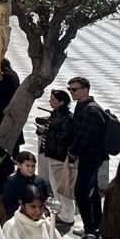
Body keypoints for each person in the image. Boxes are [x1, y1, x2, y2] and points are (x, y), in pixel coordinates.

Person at [66, 77, 109, 239]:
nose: (71, 92)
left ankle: (90, 231)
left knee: (81, 193)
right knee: (93, 191)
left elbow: (85, 137)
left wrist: (72, 151)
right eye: (70, 89)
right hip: (88, 157)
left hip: (91, 157)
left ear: (85, 90)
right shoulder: (82, 106)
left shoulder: (91, 111)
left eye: (74, 89)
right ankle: (96, 226)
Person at [36, 89, 75, 224]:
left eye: (53, 99)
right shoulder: (55, 114)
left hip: (59, 156)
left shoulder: (67, 117)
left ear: (61, 102)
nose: (50, 101)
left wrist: (47, 131)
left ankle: (66, 215)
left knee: (61, 187)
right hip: (51, 153)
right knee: (55, 185)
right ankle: (62, 211)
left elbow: (64, 137)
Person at [2, 152, 52, 221]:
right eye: (27, 166)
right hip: (19, 218)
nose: (30, 169)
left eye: (33, 166)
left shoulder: (39, 181)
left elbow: (45, 199)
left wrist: (45, 211)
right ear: (19, 165)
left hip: (37, 217)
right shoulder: (12, 182)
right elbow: (8, 203)